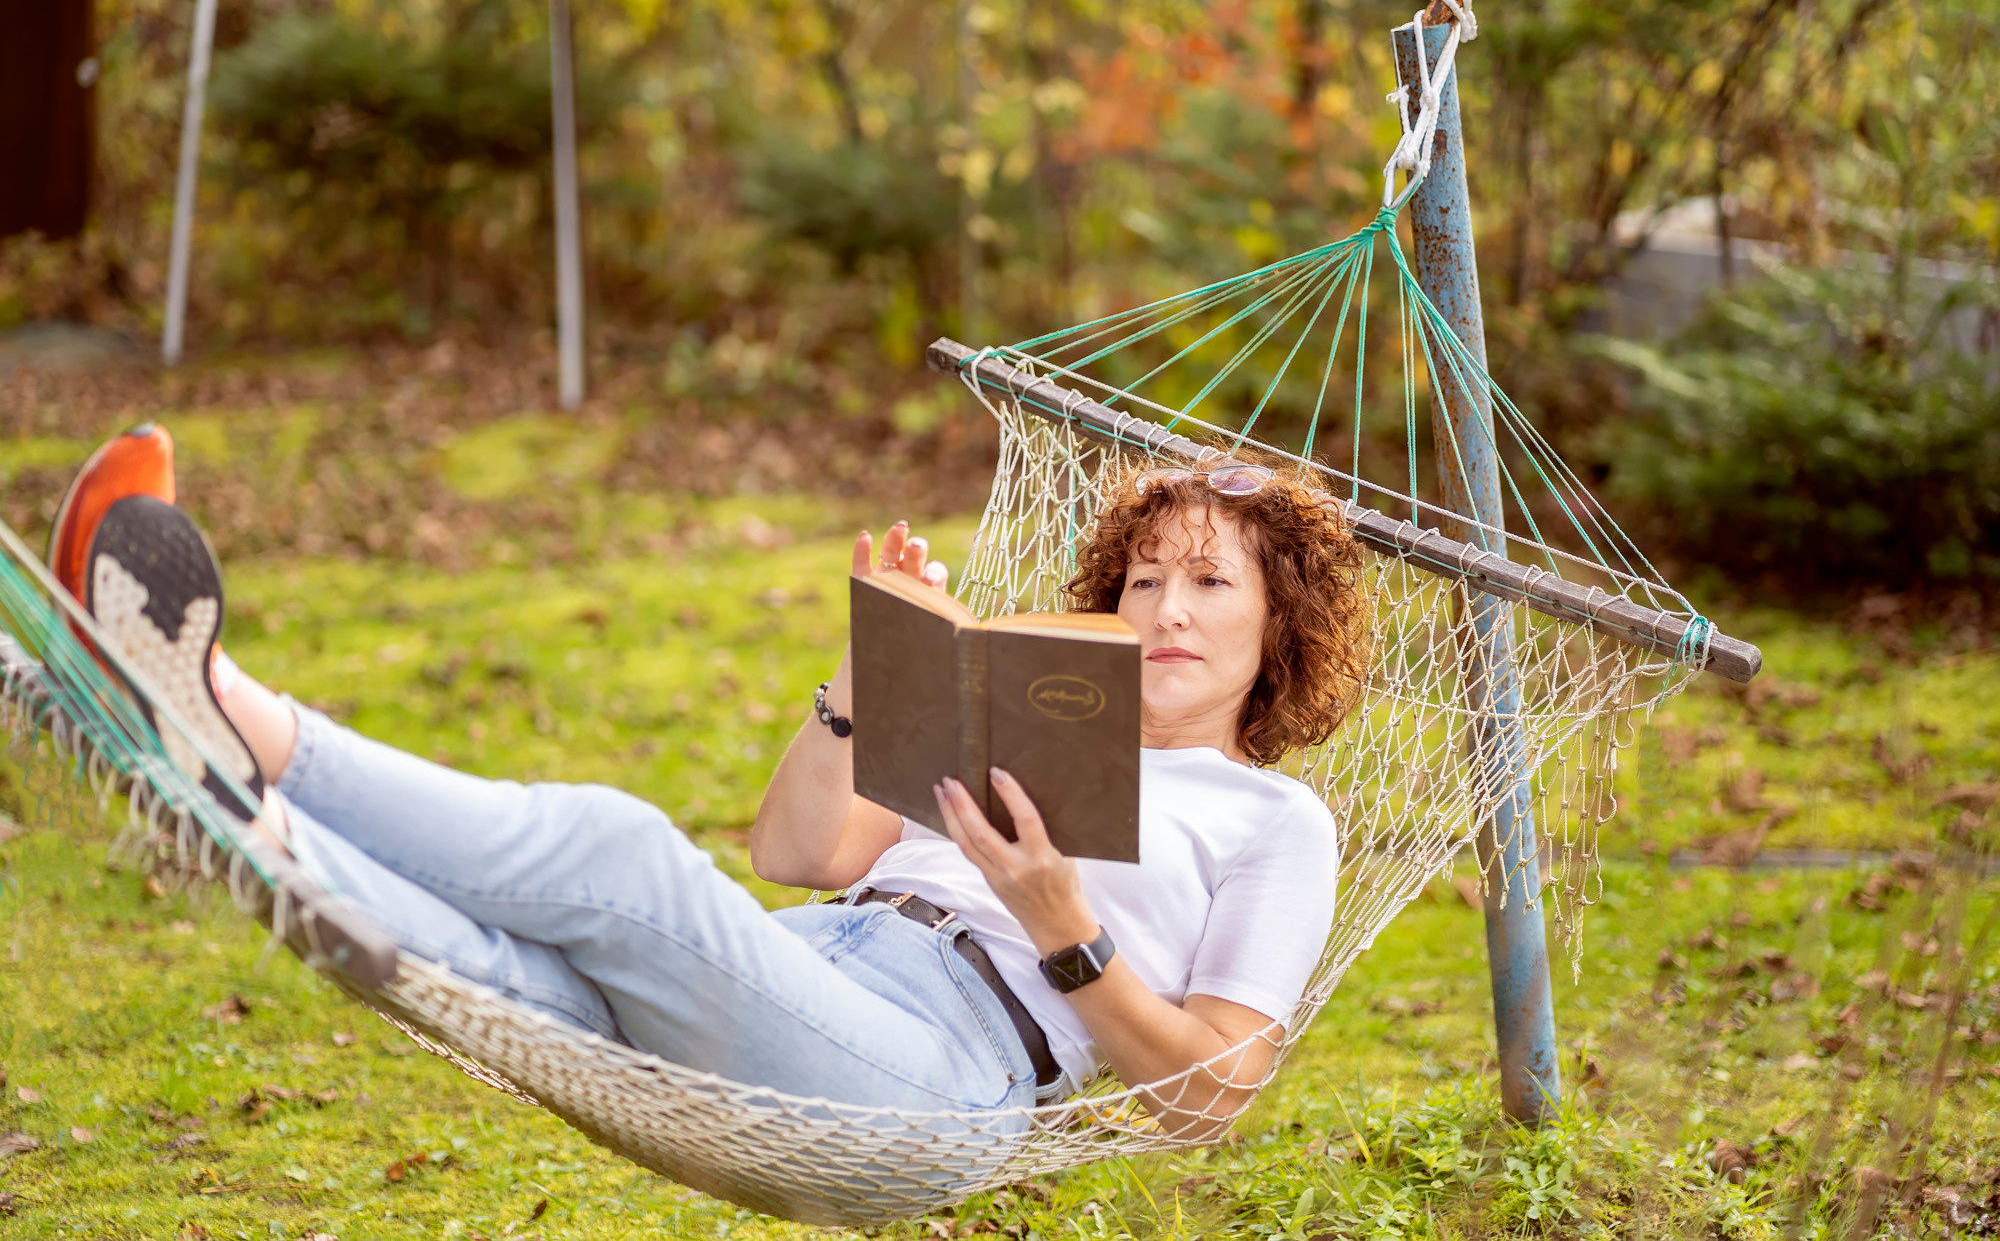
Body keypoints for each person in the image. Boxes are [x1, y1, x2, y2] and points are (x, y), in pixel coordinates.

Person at [57, 427, 1370, 1132]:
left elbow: (1211, 1096)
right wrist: (872, 672)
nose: (1168, 609)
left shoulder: (1275, 820)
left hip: (949, 1062)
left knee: (619, 851)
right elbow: (801, 850)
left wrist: (1062, 925)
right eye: (1145, 580)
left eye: (1210, 583)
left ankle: (227, 705)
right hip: (808, 955)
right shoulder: (1031, 715)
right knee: (497, 970)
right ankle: (224, 799)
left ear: (1280, 629)